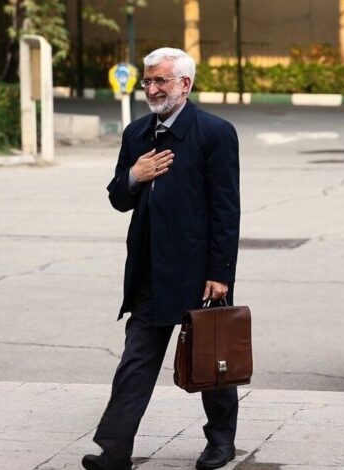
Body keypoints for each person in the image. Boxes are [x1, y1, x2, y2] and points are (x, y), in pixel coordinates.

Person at [82, 47, 241, 470]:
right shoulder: (137, 133)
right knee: (136, 361)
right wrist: (135, 176)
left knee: (211, 359)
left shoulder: (214, 133)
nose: (152, 89)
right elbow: (119, 198)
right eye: (147, 81)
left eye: (160, 81)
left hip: (200, 272)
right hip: (150, 270)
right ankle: (114, 450)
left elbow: (226, 209)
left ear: (185, 84)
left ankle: (221, 442)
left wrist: (220, 272)